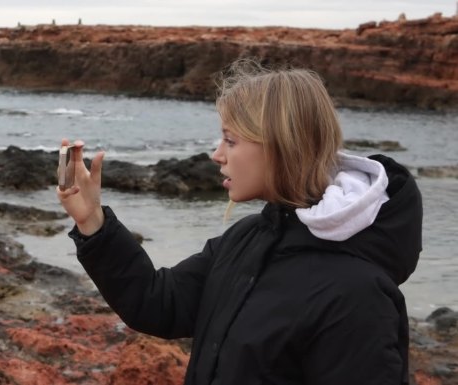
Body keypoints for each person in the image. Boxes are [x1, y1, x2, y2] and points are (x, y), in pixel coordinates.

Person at [56, 61, 422, 385]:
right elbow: (158, 304)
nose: (216, 154)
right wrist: (93, 222)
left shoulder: (358, 295)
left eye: (230, 140)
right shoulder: (247, 239)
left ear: (282, 145)